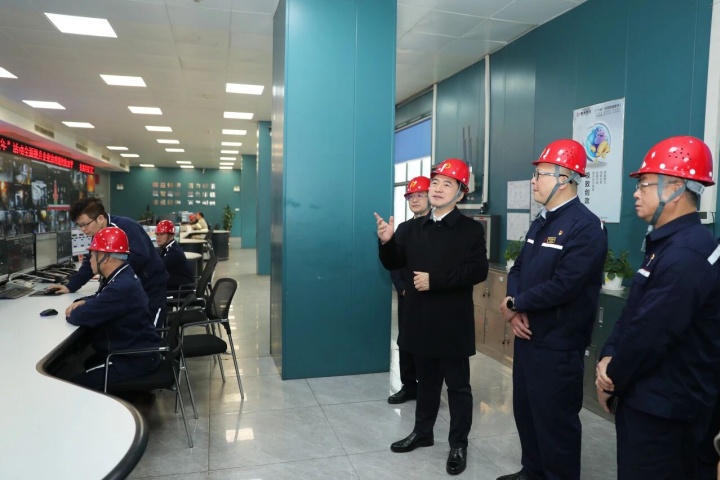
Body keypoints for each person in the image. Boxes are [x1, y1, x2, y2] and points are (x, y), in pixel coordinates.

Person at [596, 136, 720, 480]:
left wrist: (612, 377)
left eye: (645, 184)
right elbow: (634, 314)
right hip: (654, 397)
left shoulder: (686, 254)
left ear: (675, 188)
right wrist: (608, 356)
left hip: (665, 410)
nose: (636, 194)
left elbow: (651, 334)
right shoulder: (670, 244)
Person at [498, 139, 607, 480]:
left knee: (555, 422)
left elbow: (566, 284)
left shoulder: (586, 227)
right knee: (527, 411)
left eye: (540, 174)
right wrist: (514, 306)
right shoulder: (542, 221)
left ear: (565, 178)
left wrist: (517, 303)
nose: (533, 181)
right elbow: (518, 268)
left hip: (558, 343)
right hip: (528, 337)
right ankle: (532, 471)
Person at [375, 158, 488, 476]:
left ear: (460, 193)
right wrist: (386, 242)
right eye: (435, 182)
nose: (437, 188)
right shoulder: (411, 228)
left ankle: (458, 444)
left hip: (452, 322)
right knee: (426, 383)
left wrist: (435, 280)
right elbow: (393, 262)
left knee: (458, 387)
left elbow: (477, 270)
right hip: (420, 319)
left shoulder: (470, 230)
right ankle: (422, 433)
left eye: (447, 184)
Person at [65, 227, 161, 391]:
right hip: (135, 352)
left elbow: (79, 316)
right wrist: (84, 300)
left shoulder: (120, 287)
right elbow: (100, 297)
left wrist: (74, 310)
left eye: (92, 255)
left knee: (72, 386)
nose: (89, 260)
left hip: (130, 361)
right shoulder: (123, 275)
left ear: (104, 257)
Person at [49, 197, 169, 328]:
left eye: (85, 224)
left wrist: (113, 279)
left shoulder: (125, 227)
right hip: (130, 287)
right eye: (80, 225)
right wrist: (70, 286)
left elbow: (139, 256)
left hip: (151, 284)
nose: (83, 229)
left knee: (150, 328)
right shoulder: (98, 234)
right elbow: (91, 262)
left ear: (100, 218)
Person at [388, 176, 432, 405]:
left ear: (430, 197)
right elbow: (394, 263)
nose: (414, 200)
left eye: (420, 195)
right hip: (408, 296)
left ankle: (428, 388)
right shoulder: (404, 229)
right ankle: (409, 386)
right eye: (411, 196)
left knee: (428, 343)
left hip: (432, 296)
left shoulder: (438, 229)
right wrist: (402, 287)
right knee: (405, 340)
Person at [155, 219, 195, 291]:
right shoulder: (168, 248)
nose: (158, 237)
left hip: (180, 291)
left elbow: (158, 268)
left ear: (171, 235)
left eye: (162, 234)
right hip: (175, 285)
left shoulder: (173, 252)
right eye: (157, 234)